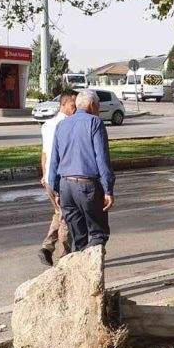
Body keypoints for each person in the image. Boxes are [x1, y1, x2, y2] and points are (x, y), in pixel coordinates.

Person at [47, 88, 115, 252]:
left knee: (78, 238)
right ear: (92, 105)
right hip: (87, 186)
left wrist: (56, 191)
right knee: (98, 233)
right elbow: (102, 158)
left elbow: (54, 160)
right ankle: (93, 274)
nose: (98, 110)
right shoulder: (94, 122)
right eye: (98, 106)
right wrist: (108, 190)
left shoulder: (62, 125)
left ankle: (80, 271)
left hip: (66, 187)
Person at [38, 89, 77, 266]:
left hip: (49, 177)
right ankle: (64, 258)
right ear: (63, 105)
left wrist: (44, 174)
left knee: (60, 214)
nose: (75, 109)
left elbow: (44, 153)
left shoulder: (47, 125)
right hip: (62, 177)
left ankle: (47, 248)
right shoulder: (69, 124)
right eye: (72, 105)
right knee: (66, 218)